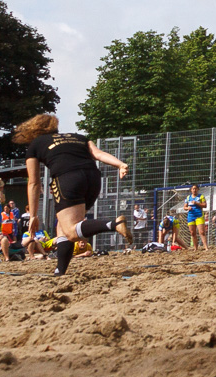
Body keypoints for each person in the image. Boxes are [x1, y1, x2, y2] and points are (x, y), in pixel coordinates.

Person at [13, 114, 131, 276]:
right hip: (93, 178)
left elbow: (34, 182)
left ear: (34, 130)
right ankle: (60, 271)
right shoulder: (78, 137)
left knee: (70, 230)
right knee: (63, 226)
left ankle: (113, 224)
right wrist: (120, 164)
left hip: (69, 178)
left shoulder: (36, 144)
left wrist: (33, 215)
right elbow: (98, 154)